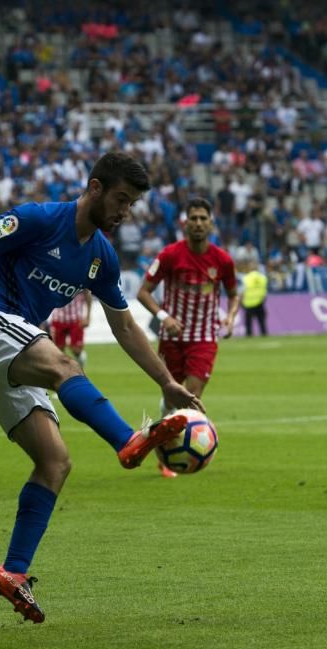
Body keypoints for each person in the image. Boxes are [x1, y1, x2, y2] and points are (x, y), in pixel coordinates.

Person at [0, 152, 202, 624]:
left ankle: (13, 571)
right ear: (95, 188)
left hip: (5, 355)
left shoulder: (101, 256)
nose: (125, 212)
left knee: (55, 461)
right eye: (121, 199)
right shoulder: (38, 219)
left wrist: (165, 380)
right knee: (65, 367)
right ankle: (127, 441)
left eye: (133, 204)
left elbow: (123, 326)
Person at [136, 197, 239, 479]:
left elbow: (233, 294)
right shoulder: (170, 255)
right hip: (172, 339)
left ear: (211, 223)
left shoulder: (222, 260)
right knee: (170, 397)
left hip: (204, 338)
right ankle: (167, 441)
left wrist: (230, 317)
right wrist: (164, 318)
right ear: (185, 223)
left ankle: (171, 455)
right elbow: (143, 292)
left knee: (189, 398)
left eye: (202, 218)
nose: (197, 223)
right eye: (192, 218)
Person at [49, 289, 91, 369]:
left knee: (76, 350)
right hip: (58, 318)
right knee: (58, 350)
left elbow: (87, 293)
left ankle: (81, 370)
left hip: (76, 319)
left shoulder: (80, 279)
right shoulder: (55, 277)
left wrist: (88, 317)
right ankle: (63, 373)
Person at [240, 261, 268, 337]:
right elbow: (264, 291)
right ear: (257, 268)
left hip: (248, 302)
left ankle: (249, 335)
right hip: (260, 302)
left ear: (249, 268)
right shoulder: (263, 278)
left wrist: (241, 302)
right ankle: (264, 335)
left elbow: (242, 291)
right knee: (261, 321)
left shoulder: (245, 278)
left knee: (248, 323)